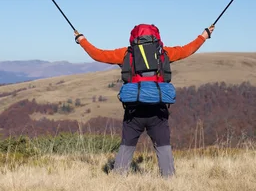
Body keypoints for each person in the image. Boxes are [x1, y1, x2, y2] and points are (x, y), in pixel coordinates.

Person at [74, 24, 215, 177]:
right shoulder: (164, 53)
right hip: (158, 109)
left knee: (127, 145)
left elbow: (98, 54)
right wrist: (204, 35)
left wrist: (81, 39)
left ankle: (118, 178)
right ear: (156, 37)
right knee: (163, 146)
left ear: (134, 37)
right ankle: (169, 179)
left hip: (134, 110)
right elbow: (187, 50)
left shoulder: (126, 53)